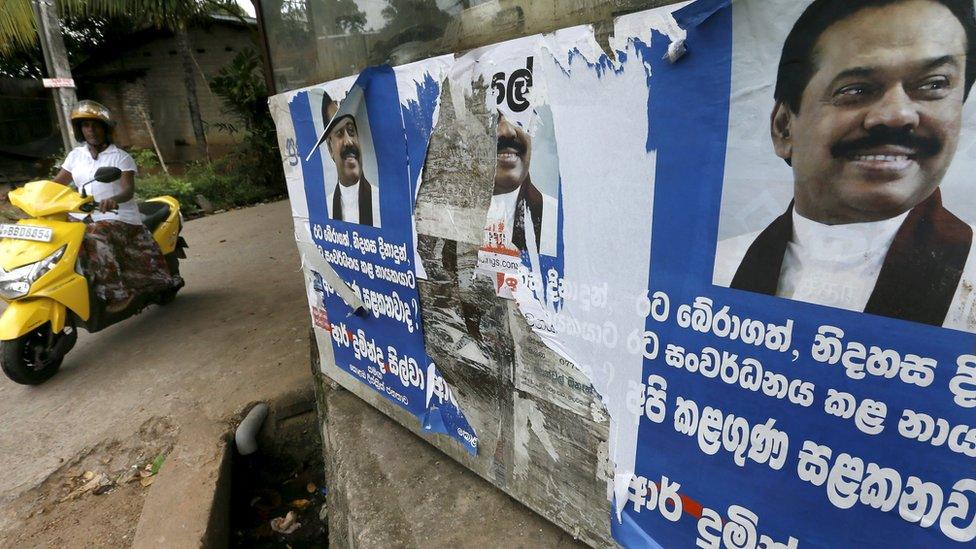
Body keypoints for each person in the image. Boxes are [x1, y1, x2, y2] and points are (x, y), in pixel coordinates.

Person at [714, 0, 976, 331]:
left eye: (933, 84)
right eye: (855, 89)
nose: (897, 114)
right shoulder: (719, 269)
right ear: (784, 127)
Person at [52, 100, 175, 313]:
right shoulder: (75, 156)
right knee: (54, 235)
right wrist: (22, 192)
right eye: (86, 125)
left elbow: (128, 190)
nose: (91, 130)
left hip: (119, 217)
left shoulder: (120, 157)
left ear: (106, 129)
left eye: (96, 125)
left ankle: (117, 294)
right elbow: (55, 185)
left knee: (94, 235)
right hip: (84, 216)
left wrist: (114, 200)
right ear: (80, 130)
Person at [485, 113, 557, 255]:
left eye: (519, 115)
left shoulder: (555, 223)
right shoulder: (437, 216)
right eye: (491, 114)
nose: (508, 131)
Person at [320, 92, 379, 227]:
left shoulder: (380, 201)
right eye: (340, 133)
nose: (348, 141)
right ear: (330, 148)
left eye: (351, 131)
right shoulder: (326, 208)